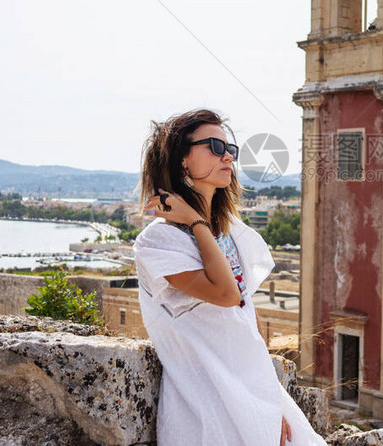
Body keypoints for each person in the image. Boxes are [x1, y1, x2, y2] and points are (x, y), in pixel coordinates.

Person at [133, 109, 326, 446]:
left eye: (230, 149)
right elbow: (225, 294)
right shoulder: (160, 241)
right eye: (213, 146)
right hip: (206, 410)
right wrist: (195, 221)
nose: (227, 157)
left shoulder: (231, 234)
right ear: (181, 160)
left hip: (253, 398)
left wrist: (271, 404)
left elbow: (243, 327)